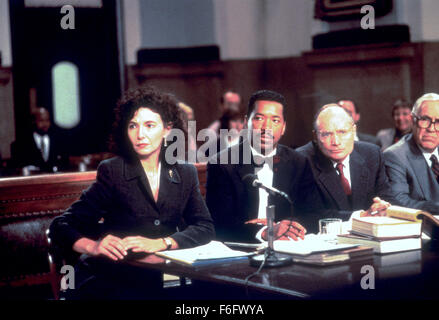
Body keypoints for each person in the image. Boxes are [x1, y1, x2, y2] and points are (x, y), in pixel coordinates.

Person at [49, 87, 215, 299]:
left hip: (166, 274)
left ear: (167, 130)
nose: (140, 135)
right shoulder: (113, 171)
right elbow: (60, 226)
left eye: (149, 125)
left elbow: (204, 227)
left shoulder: (185, 172)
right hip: (117, 276)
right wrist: (93, 246)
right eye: (133, 126)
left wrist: (164, 242)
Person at [206, 90, 322, 243]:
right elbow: (219, 224)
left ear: (284, 127)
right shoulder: (222, 164)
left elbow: (313, 213)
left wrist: (286, 227)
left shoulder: (298, 162)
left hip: (289, 247)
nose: (266, 127)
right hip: (241, 250)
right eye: (259, 118)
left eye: (275, 120)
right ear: (247, 122)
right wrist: (265, 232)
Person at [296, 104, 395, 233]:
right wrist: (362, 217)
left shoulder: (372, 154)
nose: (336, 141)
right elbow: (311, 215)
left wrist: (382, 206)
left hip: (370, 236)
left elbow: (388, 197)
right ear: (315, 136)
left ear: (354, 131)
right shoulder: (301, 161)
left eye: (342, 132)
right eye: (326, 134)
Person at [383, 93, 439, 214]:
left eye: (438, 122)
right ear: (413, 120)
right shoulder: (395, 156)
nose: (431, 128)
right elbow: (399, 201)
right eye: (425, 119)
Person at [10, 107, 67, 175]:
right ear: (33, 121)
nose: (45, 124)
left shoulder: (57, 141)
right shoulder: (21, 144)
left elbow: (64, 164)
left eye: (47, 120)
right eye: (41, 121)